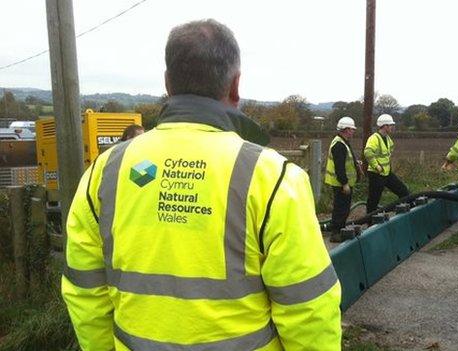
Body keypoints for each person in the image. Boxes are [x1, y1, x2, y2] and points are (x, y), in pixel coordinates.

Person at [62, 19, 341, 351]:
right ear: (236, 85)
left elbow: (84, 292)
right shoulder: (274, 178)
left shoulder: (105, 172)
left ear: (168, 83)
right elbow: (308, 310)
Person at [364, 114, 410, 215]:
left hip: (386, 173)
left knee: (404, 191)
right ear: (385, 126)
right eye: (390, 125)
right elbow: (368, 153)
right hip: (376, 173)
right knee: (373, 199)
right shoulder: (374, 138)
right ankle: (370, 221)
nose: (392, 127)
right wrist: (376, 166)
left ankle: (402, 213)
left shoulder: (388, 139)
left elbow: (388, 152)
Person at [325, 116, 360, 242]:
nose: (353, 131)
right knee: (341, 208)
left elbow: (345, 162)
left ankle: (340, 229)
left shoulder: (342, 142)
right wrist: (344, 183)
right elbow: (339, 167)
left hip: (343, 183)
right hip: (340, 183)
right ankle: (336, 233)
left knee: (343, 208)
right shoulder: (339, 145)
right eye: (352, 129)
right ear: (346, 129)